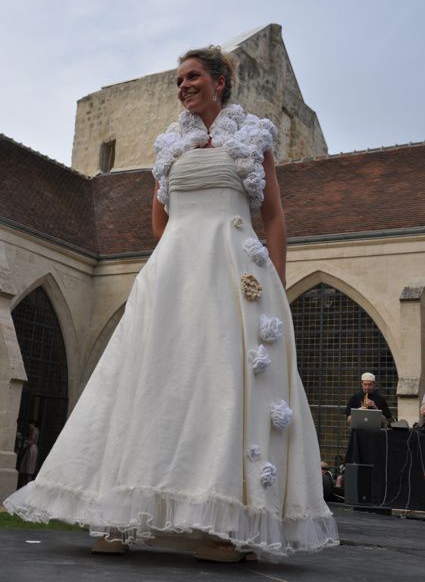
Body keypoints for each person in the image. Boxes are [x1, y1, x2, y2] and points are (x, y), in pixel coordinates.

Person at [4, 45, 338, 562]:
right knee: (149, 380)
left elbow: (273, 217)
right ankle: (115, 515)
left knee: (222, 387)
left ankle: (222, 527)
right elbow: (160, 221)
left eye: (193, 77)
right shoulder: (170, 145)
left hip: (235, 274)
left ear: (221, 81)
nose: (183, 86)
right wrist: (178, 255)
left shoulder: (253, 138)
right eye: (179, 80)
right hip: (175, 275)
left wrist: (276, 283)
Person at [18, 421, 39, 486]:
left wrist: (21, 438)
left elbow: (31, 442)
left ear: (33, 424)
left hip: (32, 450)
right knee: (26, 468)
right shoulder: (33, 430)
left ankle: (27, 485)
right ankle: (25, 485)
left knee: (29, 469)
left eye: (30, 424)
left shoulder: (35, 431)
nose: (29, 426)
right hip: (30, 449)